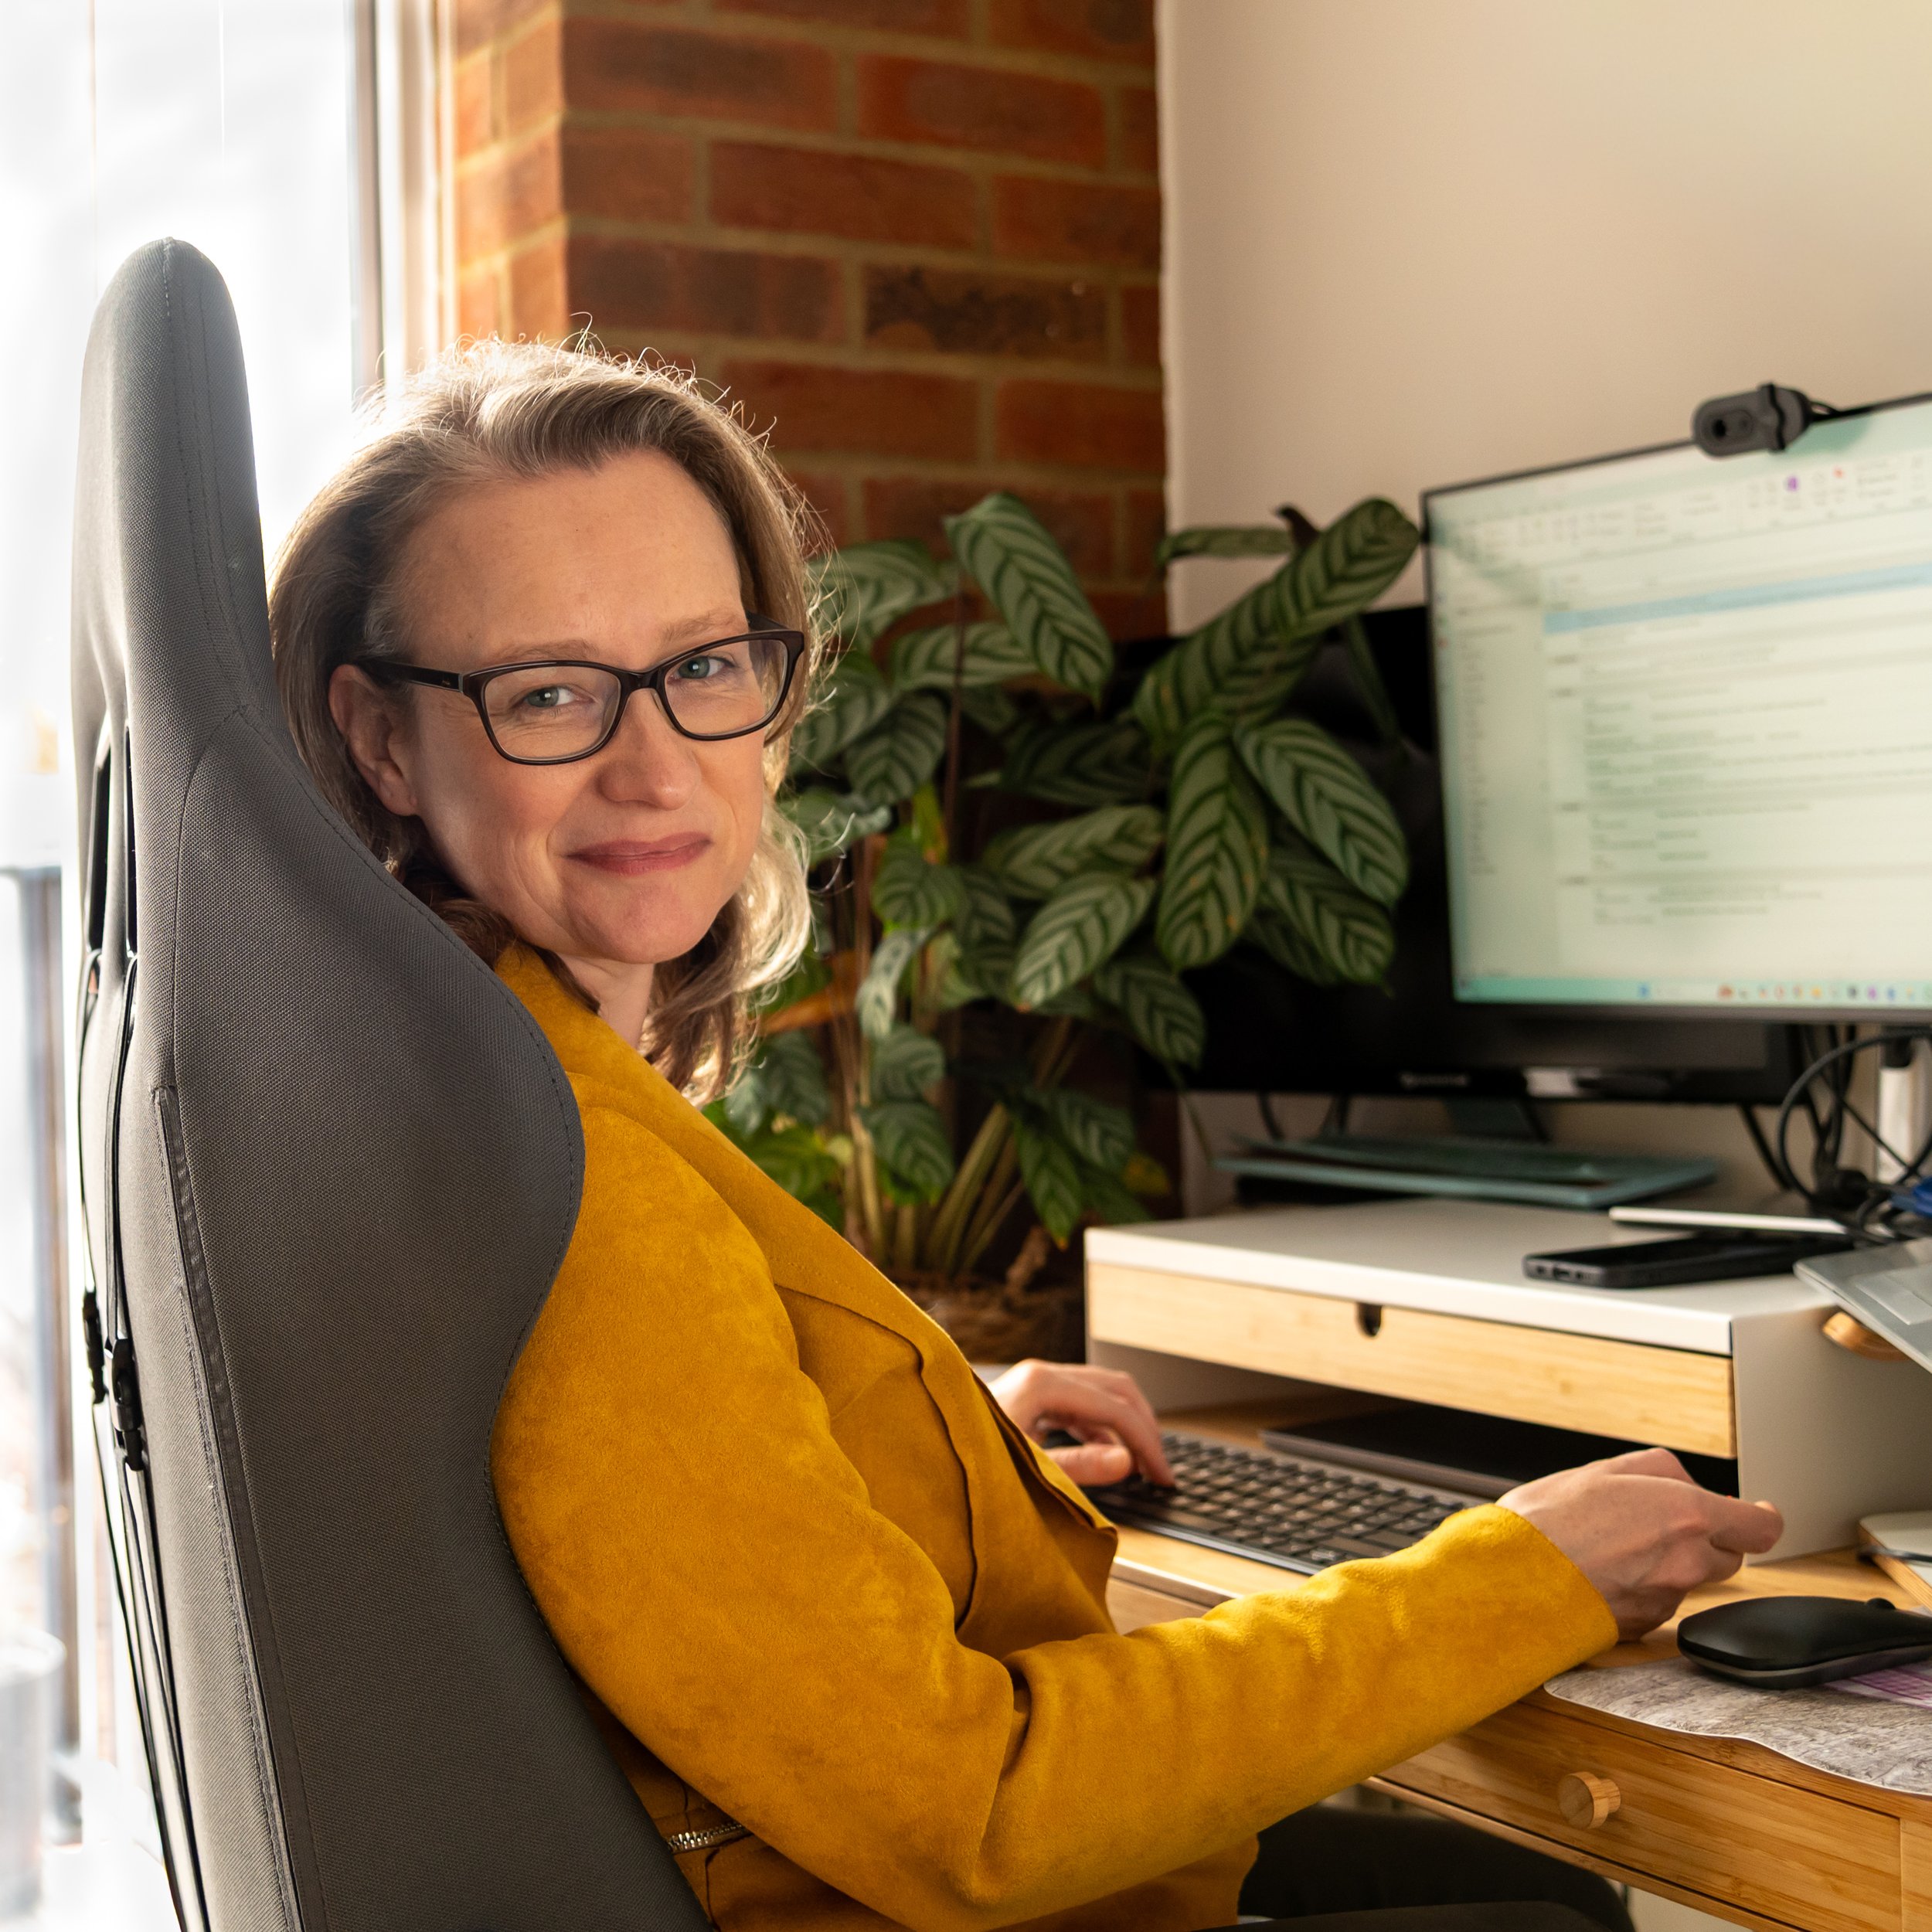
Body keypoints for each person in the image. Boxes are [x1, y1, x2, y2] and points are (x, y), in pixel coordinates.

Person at [270, 342, 1783, 1932]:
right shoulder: (571, 1187)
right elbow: (964, 1811)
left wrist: (909, 1443)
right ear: (379, 738)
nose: (656, 764)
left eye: (705, 664)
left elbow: (650, 1515)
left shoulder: (478, 1082)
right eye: (549, 691)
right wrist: (1521, 1571)